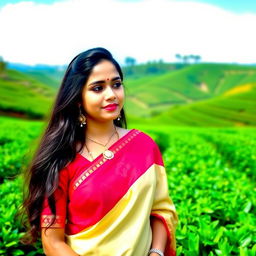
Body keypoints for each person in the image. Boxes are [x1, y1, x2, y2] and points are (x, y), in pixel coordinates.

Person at [22, 47, 178, 256]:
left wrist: (156, 252)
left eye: (116, 84)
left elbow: (160, 212)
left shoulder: (144, 145)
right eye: (98, 88)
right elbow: (53, 243)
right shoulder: (62, 158)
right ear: (78, 98)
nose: (111, 95)